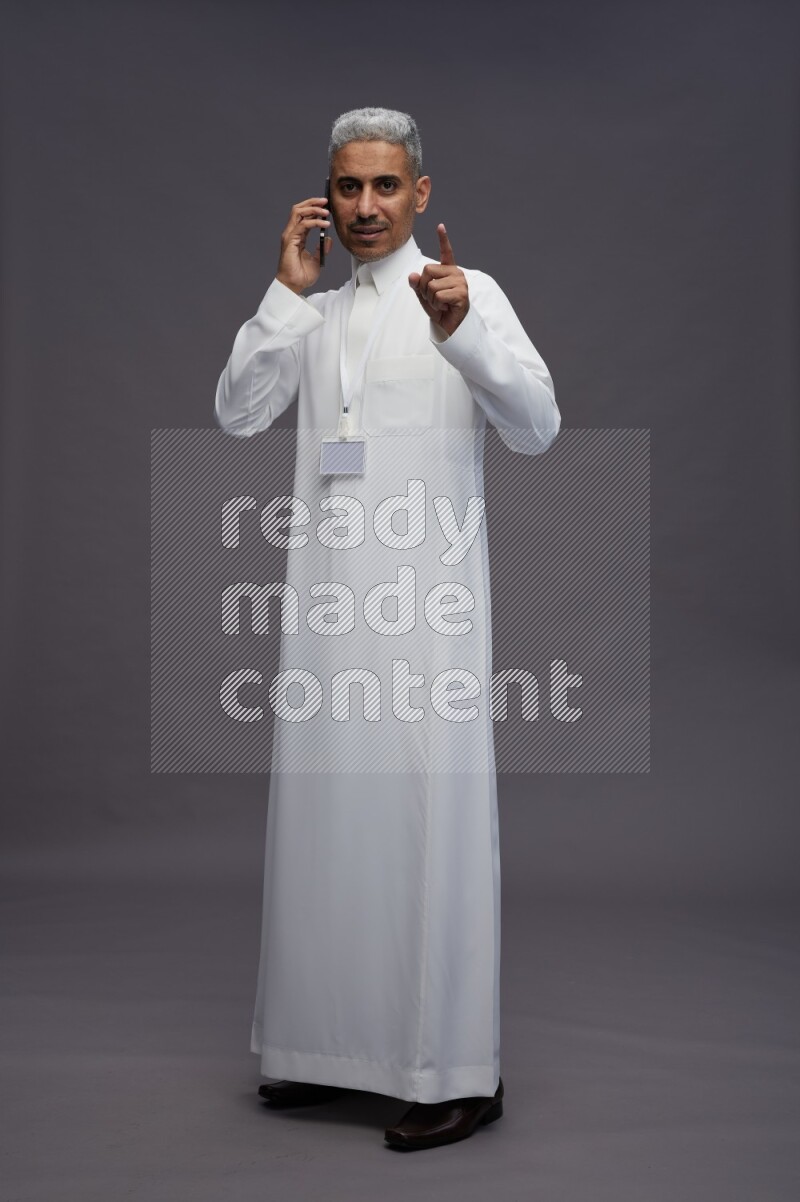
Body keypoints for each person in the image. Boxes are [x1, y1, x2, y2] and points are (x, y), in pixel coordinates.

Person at [214, 107, 560, 1150]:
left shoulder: (464, 291)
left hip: (426, 616)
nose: (366, 206)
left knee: (425, 827)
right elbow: (238, 411)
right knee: (323, 825)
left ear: (420, 193)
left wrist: (464, 334)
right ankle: (320, 1050)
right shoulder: (312, 310)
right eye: (348, 186)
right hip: (327, 610)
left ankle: (456, 1072)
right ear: (326, 196)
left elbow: (537, 427)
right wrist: (284, 294)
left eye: (386, 186)